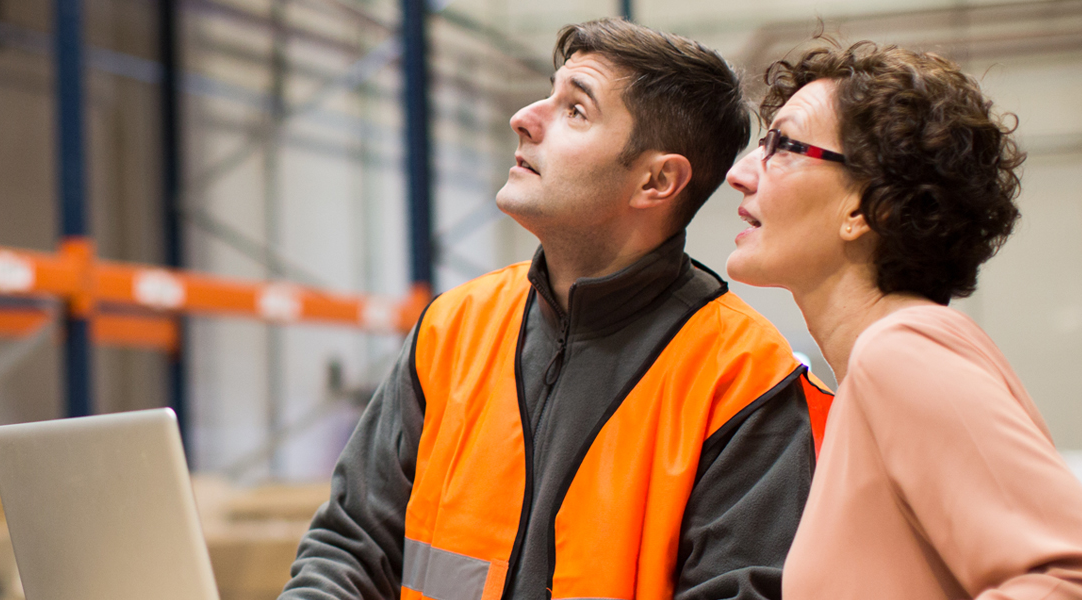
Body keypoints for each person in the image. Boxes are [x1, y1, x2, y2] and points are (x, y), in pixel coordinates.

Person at [280, 19, 834, 600]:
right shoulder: (454, 327)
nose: (524, 117)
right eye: (550, 93)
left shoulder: (742, 377)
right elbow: (352, 546)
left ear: (657, 180)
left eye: (575, 110)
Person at [723, 40, 1082, 599]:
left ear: (864, 206)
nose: (741, 172)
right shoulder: (875, 370)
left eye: (782, 144)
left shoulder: (902, 353)